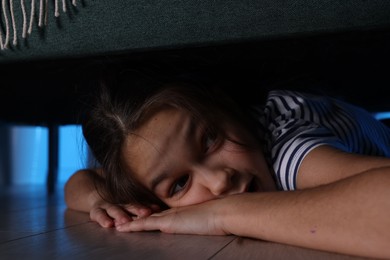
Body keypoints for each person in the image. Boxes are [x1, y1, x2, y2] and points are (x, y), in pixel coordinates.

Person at [65, 70, 390, 259]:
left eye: (210, 140)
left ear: (228, 108)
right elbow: (82, 181)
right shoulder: (151, 166)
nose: (219, 182)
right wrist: (102, 202)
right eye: (180, 184)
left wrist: (224, 214)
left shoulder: (292, 148)